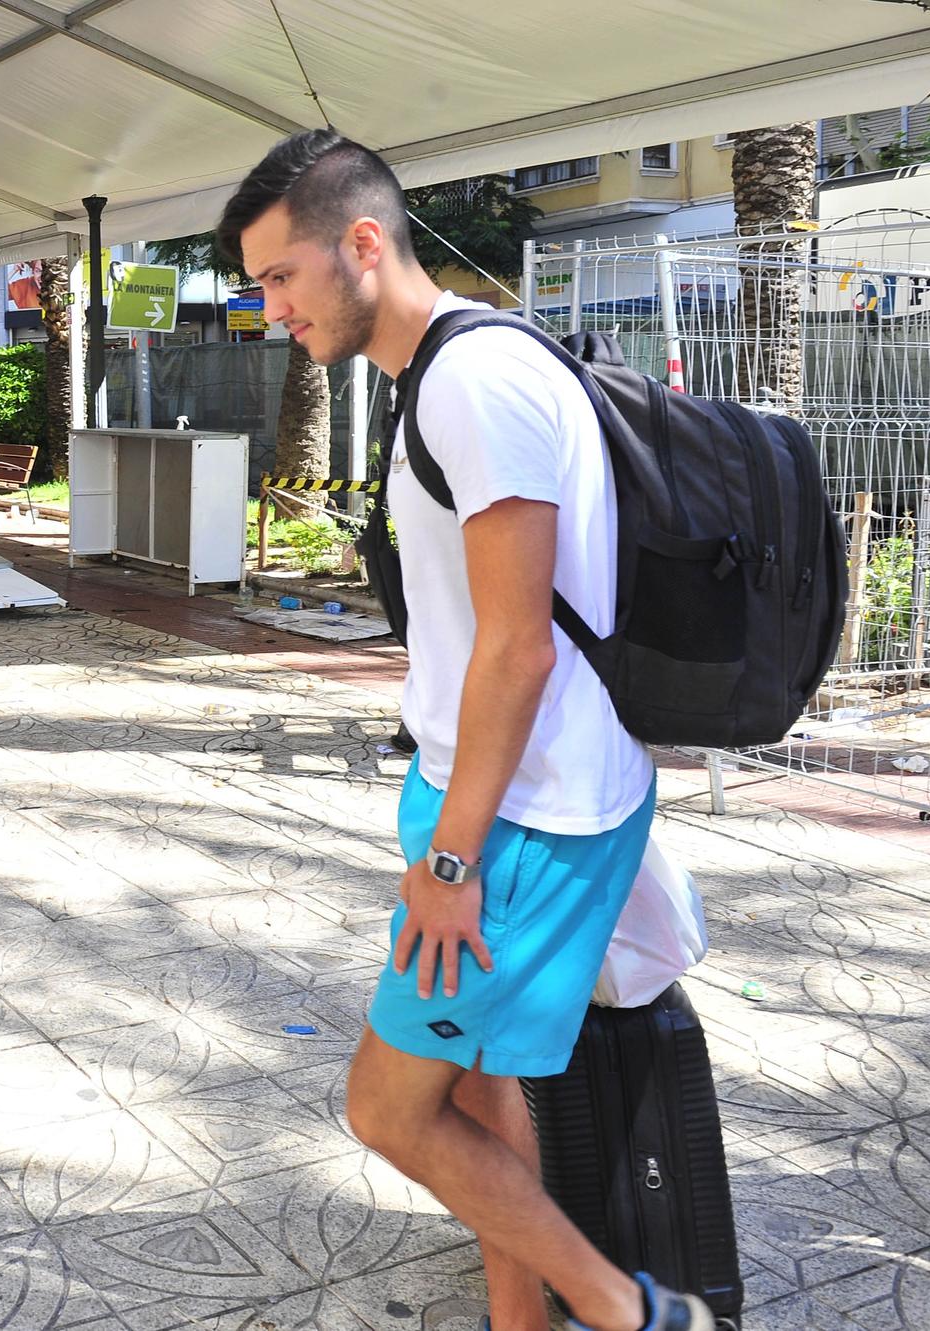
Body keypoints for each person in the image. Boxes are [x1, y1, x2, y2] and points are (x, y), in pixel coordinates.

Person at [217, 132, 692, 1331]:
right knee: (475, 1079)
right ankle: (515, 1316)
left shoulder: (474, 381)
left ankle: (633, 1313)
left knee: (385, 1104)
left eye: (279, 277)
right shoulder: (435, 371)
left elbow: (518, 643)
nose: (269, 310)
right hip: (476, 783)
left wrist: (449, 858)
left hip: (522, 810)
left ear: (361, 243)